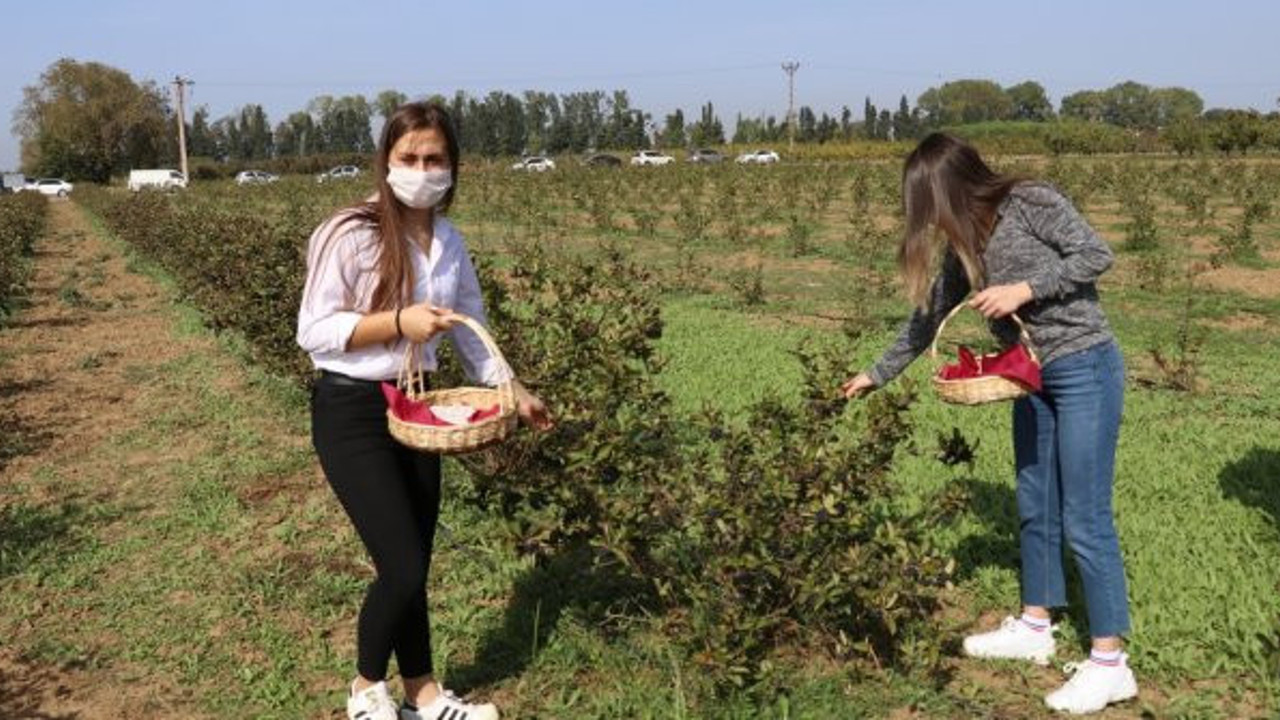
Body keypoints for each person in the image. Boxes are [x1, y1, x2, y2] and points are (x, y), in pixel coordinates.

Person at [841, 133, 1136, 715]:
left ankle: (1110, 664)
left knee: (1085, 514)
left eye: (928, 206)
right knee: (1035, 501)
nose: (927, 221)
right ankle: (1035, 625)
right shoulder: (966, 245)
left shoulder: (1031, 201)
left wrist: (1023, 288)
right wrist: (876, 374)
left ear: (951, 188)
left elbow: (1096, 254)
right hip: (1029, 376)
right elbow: (928, 320)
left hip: (1083, 367)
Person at [298, 101, 552, 720]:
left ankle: (424, 695)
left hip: (416, 408)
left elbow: (471, 330)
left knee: (416, 560)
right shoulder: (349, 231)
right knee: (402, 565)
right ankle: (365, 688)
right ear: (387, 161)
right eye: (409, 157)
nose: (421, 168)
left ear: (452, 167)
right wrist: (397, 321)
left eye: (434, 158)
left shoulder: (448, 241)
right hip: (352, 409)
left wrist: (512, 391)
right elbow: (314, 330)